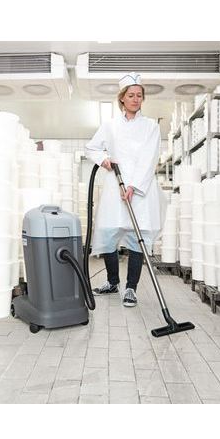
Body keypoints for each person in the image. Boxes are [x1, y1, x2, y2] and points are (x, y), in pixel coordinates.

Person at [85, 72, 164, 307]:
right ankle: (112, 282)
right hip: (114, 186)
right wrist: (104, 160)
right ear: (122, 98)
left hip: (140, 189)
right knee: (107, 232)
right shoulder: (109, 126)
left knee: (137, 236)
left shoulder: (151, 126)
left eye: (139, 95)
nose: (135, 99)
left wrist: (134, 186)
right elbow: (91, 148)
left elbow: (150, 158)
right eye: (131, 95)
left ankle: (131, 288)